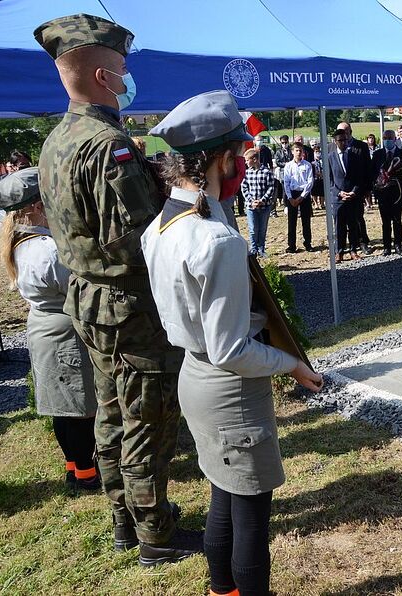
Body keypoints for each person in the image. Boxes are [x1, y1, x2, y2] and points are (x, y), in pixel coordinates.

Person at [142, 90, 324, 596]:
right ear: (222, 159)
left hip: (195, 376)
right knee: (250, 516)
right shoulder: (216, 240)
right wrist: (291, 364)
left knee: (223, 495)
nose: (244, 161)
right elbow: (231, 349)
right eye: (239, 153)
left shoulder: (163, 224)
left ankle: (221, 589)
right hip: (231, 388)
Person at [33, 13, 199, 563]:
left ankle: (124, 520)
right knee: (147, 418)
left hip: (89, 299)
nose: (128, 79)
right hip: (129, 305)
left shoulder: (57, 140)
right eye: (123, 69)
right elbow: (138, 241)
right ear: (104, 77)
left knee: (111, 411)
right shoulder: (109, 146)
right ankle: (156, 534)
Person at [0, 168, 99, 493]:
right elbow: (78, 287)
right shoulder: (47, 249)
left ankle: (74, 467)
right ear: (37, 206)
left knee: (61, 405)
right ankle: (86, 474)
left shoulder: (21, 241)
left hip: (43, 328)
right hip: (64, 331)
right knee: (81, 407)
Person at [329, 128, 366, 261]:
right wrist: (339, 193)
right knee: (339, 227)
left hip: (352, 197)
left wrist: (354, 192)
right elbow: (329, 181)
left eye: (345, 140)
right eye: (341, 140)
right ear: (335, 141)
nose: (344, 143)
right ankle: (339, 251)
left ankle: (353, 250)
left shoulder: (354, 156)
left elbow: (359, 177)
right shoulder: (330, 158)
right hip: (338, 198)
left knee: (353, 225)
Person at [336, 122, 373, 255]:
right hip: (340, 191)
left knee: (358, 217)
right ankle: (343, 247)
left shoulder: (361, 146)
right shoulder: (331, 147)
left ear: (350, 132)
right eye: (339, 132)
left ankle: (362, 242)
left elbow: (368, 168)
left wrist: (367, 188)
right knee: (341, 220)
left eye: (344, 132)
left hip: (357, 189)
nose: (342, 136)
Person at [371, 129, 402, 255]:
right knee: (385, 221)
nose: (387, 140)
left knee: (397, 220)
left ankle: (398, 245)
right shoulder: (377, 154)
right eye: (385, 138)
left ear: (395, 139)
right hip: (382, 193)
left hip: (397, 193)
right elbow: (373, 173)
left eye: (389, 138)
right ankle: (387, 247)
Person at [240, 148, 275, 257]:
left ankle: (261, 249)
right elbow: (244, 188)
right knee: (253, 229)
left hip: (264, 206)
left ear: (254, 159)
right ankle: (254, 249)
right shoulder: (247, 173)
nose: (246, 162)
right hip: (251, 207)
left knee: (262, 229)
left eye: (247, 160)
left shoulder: (267, 172)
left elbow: (271, 188)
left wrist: (262, 200)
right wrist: (251, 201)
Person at [283, 142, 315, 252]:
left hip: (304, 195)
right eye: (296, 150)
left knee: (306, 220)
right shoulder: (288, 166)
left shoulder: (307, 165)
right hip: (292, 194)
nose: (299, 152)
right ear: (292, 152)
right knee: (292, 222)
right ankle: (291, 245)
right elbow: (286, 182)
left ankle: (308, 243)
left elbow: (310, 182)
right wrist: (290, 198)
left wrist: (302, 197)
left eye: (300, 150)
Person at [311, 144, 325, 210]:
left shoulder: (323, 160)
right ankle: (316, 204)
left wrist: (322, 174)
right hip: (314, 178)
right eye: (316, 152)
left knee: (322, 191)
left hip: (322, 178)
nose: (318, 153)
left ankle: (322, 204)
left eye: (319, 151)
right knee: (314, 191)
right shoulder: (312, 161)